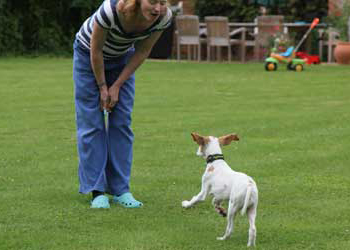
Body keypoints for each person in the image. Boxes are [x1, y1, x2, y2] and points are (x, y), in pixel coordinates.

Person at [73, 0, 172, 208]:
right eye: (153, 1)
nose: (158, 8)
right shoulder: (110, 11)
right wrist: (102, 87)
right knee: (92, 123)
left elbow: (142, 52)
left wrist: (117, 85)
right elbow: (96, 51)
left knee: (121, 123)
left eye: (162, 2)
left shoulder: (163, 18)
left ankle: (120, 190)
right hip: (88, 55)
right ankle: (97, 191)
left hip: (122, 61)